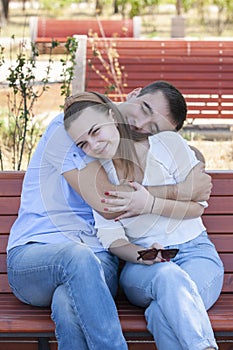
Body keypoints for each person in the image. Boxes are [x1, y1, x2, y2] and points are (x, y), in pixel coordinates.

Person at [7, 81, 211, 350]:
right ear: (134, 94)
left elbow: (179, 156)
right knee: (76, 256)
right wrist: (183, 188)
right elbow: (108, 203)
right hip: (36, 255)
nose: (141, 124)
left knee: (68, 302)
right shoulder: (71, 125)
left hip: (99, 259)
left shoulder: (123, 147)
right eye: (145, 109)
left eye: (154, 129)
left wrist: (191, 160)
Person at [63, 91, 224, 350]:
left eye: (96, 132)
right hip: (143, 266)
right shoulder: (98, 175)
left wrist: (149, 203)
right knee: (168, 276)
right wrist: (144, 255)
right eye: (83, 144)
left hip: (196, 253)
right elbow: (112, 238)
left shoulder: (168, 145)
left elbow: (196, 207)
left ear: (111, 116)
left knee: (162, 314)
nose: (93, 145)